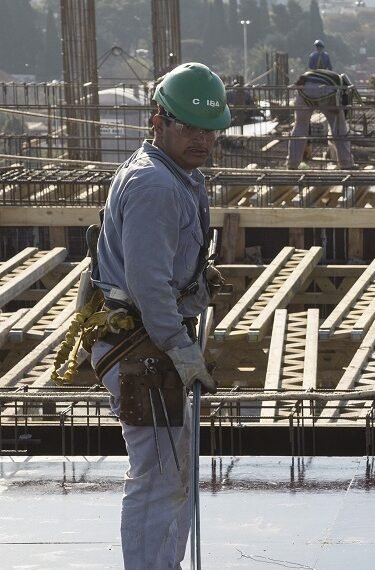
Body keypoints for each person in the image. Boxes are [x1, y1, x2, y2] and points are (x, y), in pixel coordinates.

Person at [91, 62, 225, 569]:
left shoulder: (179, 177)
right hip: (144, 346)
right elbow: (148, 283)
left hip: (150, 342)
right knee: (158, 477)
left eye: (209, 129)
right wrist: (179, 345)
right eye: (188, 127)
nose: (201, 139)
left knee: (173, 475)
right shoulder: (157, 187)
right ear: (158, 122)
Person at [286, 68, 357, 170]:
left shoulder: (327, 75)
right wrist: (341, 115)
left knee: (300, 127)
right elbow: (344, 107)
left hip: (303, 90)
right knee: (339, 128)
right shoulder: (340, 84)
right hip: (327, 91)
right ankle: (346, 163)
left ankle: (292, 164)